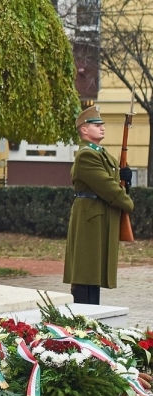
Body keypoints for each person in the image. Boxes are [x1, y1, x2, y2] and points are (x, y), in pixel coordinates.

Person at [63, 104, 134, 306]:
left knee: (92, 274)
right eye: (96, 125)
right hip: (90, 219)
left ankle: (91, 320)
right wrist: (128, 203)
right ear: (84, 129)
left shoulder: (100, 153)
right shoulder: (87, 155)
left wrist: (124, 180)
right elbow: (108, 187)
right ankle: (82, 323)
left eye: (102, 124)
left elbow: (113, 183)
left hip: (99, 216)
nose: (102, 127)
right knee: (86, 273)